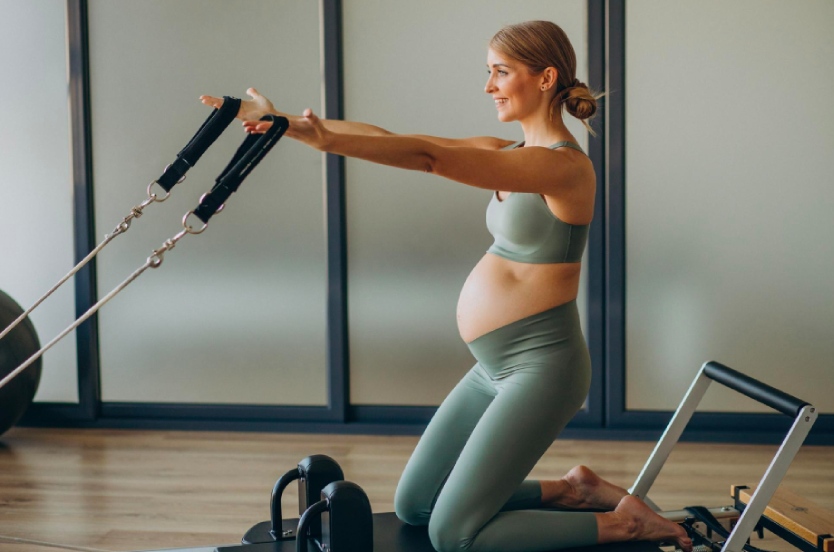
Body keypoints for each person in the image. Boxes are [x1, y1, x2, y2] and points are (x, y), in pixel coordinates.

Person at [202, 19, 691, 552]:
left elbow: (429, 159)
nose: (489, 86)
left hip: (543, 367)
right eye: (489, 72)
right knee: (416, 504)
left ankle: (627, 522)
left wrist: (324, 139)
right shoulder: (506, 152)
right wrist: (293, 126)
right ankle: (574, 490)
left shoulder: (566, 169)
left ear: (546, 77)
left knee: (452, 535)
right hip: (494, 367)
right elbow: (401, 141)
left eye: (501, 72)